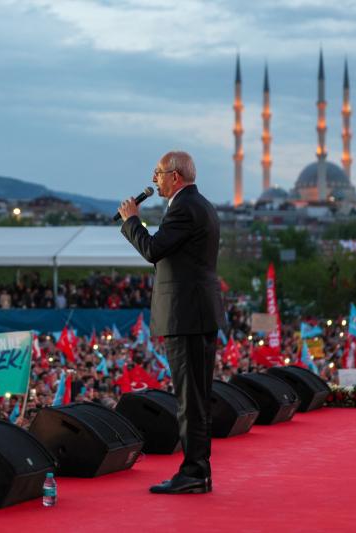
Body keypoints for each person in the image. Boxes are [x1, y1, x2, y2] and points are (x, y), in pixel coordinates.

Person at [118, 150, 226, 495]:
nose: (154, 180)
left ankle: (194, 471)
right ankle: (199, 470)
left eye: (158, 173)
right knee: (196, 395)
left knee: (189, 399)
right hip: (197, 312)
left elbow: (152, 249)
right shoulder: (201, 204)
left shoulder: (184, 207)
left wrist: (131, 221)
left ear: (175, 176)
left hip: (187, 315)